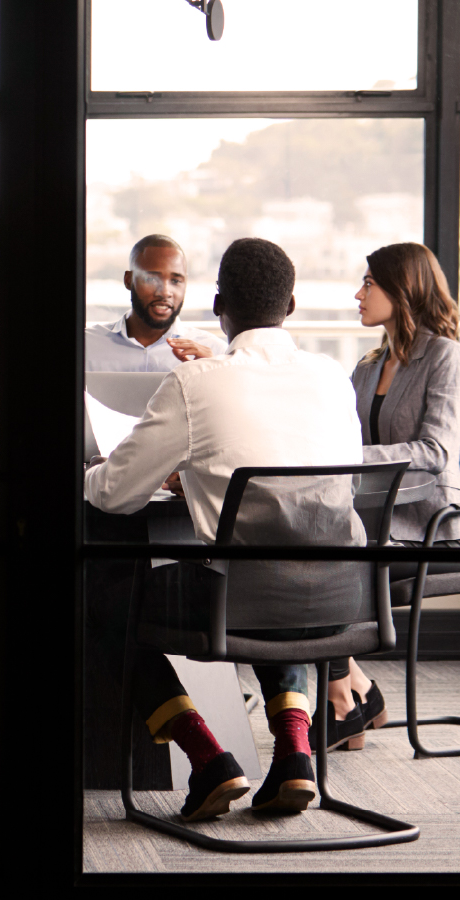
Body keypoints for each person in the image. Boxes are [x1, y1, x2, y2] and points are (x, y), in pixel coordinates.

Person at [85, 237, 365, 820]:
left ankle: (208, 758)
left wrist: (89, 476)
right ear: (290, 307)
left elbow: (113, 495)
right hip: (342, 594)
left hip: (234, 602)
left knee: (100, 600)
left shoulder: (197, 383)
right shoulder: (334, 378)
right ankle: (293, 755)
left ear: (218, 305)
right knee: (278, 569)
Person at [313, 242, 460, 753]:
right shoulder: (367, 365)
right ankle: (355, 691)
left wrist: (352, 458)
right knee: (306, 559)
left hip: (435, 531)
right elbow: (336, 436)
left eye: (369, 283)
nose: (357, 294)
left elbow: (434, 450)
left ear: (402, 289)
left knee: (328, 568)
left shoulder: (446, 357)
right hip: (373, 526)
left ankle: (349, 699)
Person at [85, 234, 227, 372]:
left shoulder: (215, 354)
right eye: (152, 279)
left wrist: (214, 376)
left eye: (175, 281)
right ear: (128, 280)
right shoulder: (85, 346)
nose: (165, 292)